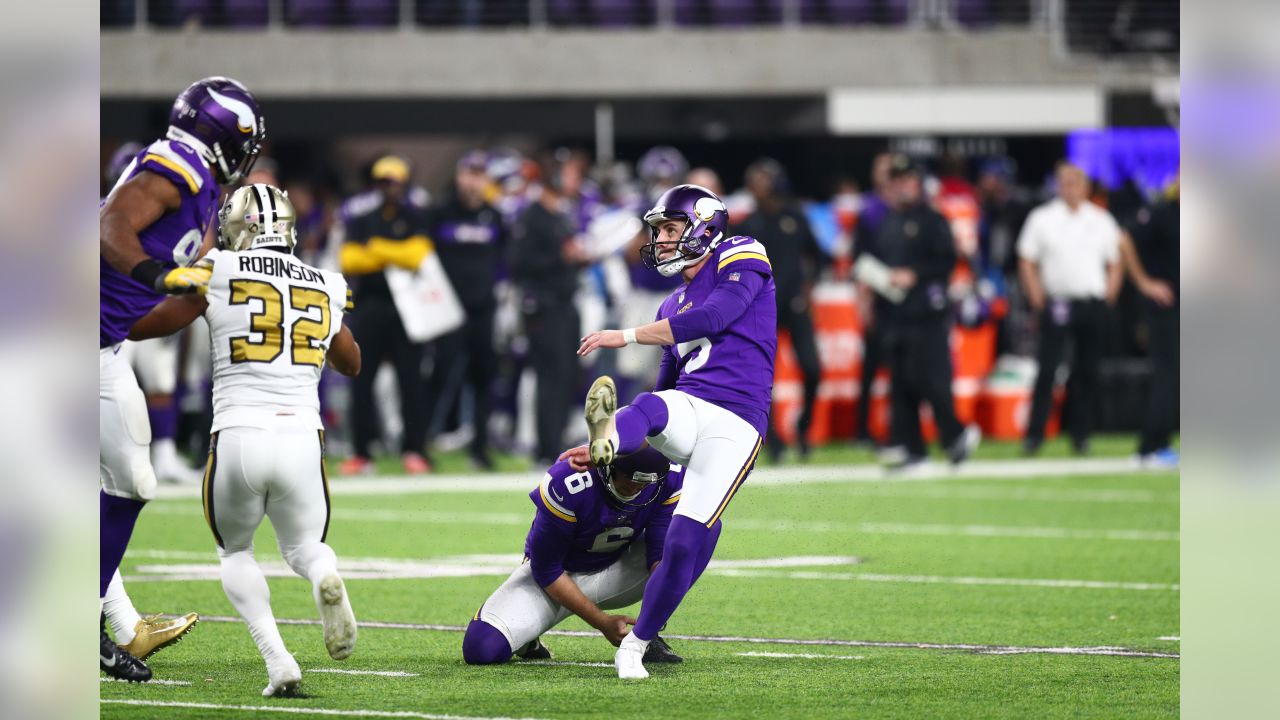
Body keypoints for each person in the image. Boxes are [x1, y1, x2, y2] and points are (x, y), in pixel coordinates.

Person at [129, 184, 361, 698]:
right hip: (302, 434)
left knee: (234, 551)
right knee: (308, 547)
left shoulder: (216, 269)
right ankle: (324, 574)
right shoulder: (326, 280)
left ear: (237, 226)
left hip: (238, 432)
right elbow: (351, 362)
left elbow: (150, 327)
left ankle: (279, 661)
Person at [575, 183, 776, 680]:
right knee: (649, 404)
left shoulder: (742, 254)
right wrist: (625, 442)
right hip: (691, 406)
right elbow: (666, 383)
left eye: (670, 228)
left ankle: (636, 644)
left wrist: (623, 335)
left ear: (705, 225)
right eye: (659, 230)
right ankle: (605, 443)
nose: (661, 238)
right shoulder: (670, 305)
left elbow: (717, 315)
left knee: (688, 541)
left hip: (737, 421)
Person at [99, 76, 264, 682]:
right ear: (221, 138)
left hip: (104, 346)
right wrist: (155, 275)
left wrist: (202, 299)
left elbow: (141, 325)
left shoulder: (198, 186)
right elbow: (110, 227)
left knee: (133, 480)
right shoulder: (178, 169)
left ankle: (99, 616)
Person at [462, 447, 687, 665]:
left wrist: (653, 615)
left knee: (694, 540)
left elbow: (659, 554)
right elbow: (547, 570)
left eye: (645, 482)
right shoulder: (569, 481)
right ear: (608, 465)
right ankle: (529, 637)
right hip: (559, 577)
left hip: (620, 568)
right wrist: (602, 622)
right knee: (482, 649)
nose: (636, 487)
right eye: (629, 478)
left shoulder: (667, 478)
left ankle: (647, 637)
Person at [872, 155, 980, 469]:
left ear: (918, 184)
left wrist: (914, 274)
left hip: (927, 311)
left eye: (908, 180)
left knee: (931, 380)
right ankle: (914, 449)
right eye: (898, 180)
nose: (902, 186)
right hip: (896, 312)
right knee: (902, 383)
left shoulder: (932, 219)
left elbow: (947, 261)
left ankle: (955, 433)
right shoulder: (888, 222)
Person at [1017, 162, 1123, 455]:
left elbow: (1115, 262)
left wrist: (1109, 296)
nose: (1070, 188)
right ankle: (1035, 434)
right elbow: (1027, 259)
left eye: (1076, 183)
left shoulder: (1100, 219)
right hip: (1058, 301)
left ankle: (1080, 434)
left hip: (1090, 301)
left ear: (1085, 187)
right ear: (1058, 185)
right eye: (1065, 182)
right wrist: (1036, 295)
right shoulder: (1043, 218)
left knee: (1086, 371)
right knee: (1048, 368)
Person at [337, 155, 434, 475]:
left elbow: (418, 254)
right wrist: (395, 253)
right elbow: (350, 259)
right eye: (384, 181)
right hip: (370, 306)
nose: (390, 187)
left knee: (412, 382)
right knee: (361, 380)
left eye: (395, 181)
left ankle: (415, 449)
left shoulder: (416, 215)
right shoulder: (362, 216)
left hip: (408, 308)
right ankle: (361, 452)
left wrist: (376, 249)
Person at [733, 158, 826, 459]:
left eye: (762, 179)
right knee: (760, 375)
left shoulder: (794, 217)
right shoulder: (748, 224)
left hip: (795, 305)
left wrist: (809, 285)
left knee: (812, 368)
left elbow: (818, 255)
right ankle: (771, 438)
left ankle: (804, 426)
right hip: (762, 311)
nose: (758, 186)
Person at [422, 151, 508, 470]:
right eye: (469, 174)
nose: (474, 181)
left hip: (483, 311)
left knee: (483, 377)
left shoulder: (494, 215)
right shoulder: (441, 212)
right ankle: (419, 445)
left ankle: (480, 448)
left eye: (479, 174)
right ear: (459, 177)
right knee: (439, 376)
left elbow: (503, 260)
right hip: (448, 310)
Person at [510, 158, 591, 464]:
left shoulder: (561, 214)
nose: (575, 179)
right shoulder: (533, 215)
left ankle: (554, 442)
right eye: (570, 173)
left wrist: (579, 258)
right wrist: (562, 257)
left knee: (566, 376)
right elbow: (517, 263)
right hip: (543, 305)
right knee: (549, 376)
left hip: (565, 303)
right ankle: (544, 449)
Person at [1121, 178, 1179, 468]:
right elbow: (1125, 239)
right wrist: (1145, 283)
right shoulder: (1162, 212)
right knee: (1168, 376)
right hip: (1166, 309)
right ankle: (1152, 446)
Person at [853, 152, 895, 446]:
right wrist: (865, 300)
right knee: (871, 368)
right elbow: (860, 258)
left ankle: (898, 430)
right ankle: (863, 431)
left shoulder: (907, 207)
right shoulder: (870, 210)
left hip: (906, 300)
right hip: (879, 295)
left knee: (902, 371)